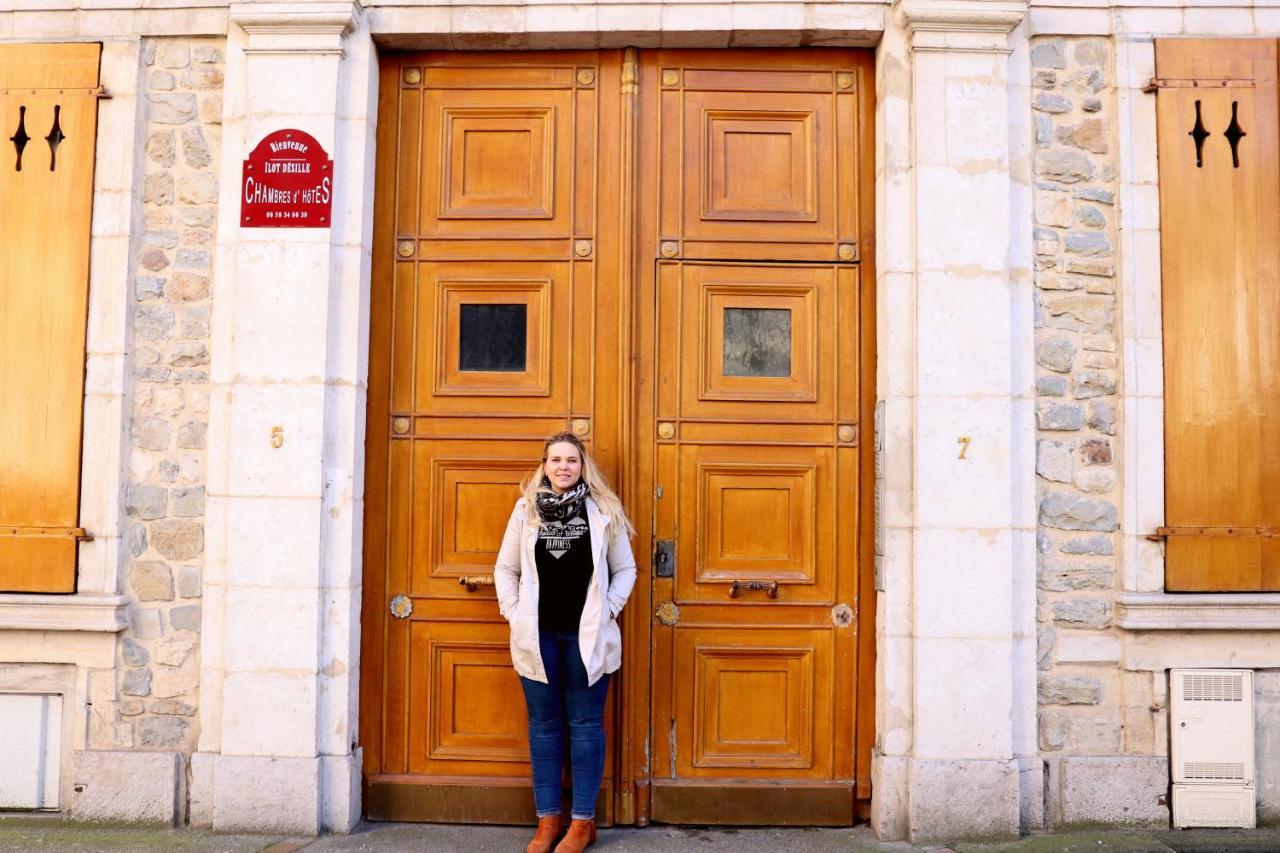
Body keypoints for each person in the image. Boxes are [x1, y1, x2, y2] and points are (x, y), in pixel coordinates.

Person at [494, 431, 637, 853]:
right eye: (555, 460)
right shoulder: (526, 511)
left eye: (571, 460)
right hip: (538, 636)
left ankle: (582, 823)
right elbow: (505, 568)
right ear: (543, 466)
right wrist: (514, 612)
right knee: (544, 728)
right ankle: (548, 820)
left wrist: (608, 609)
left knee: (587, 726)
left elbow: (625, 569)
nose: (562, 467)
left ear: (582, 467)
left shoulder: (603, 512)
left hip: (586, 638)